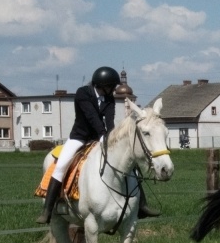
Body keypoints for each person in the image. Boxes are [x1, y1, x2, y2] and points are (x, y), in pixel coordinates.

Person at [36, 66, 159, 224]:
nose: (113, 89)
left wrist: (111, 138)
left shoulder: (109, 99)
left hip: (99, 137)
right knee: (61, 165)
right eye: (111, 86)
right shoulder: (83, 94)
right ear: (101, 85)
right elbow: (92, 117)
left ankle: (142, 205)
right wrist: (103, 136)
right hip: (79, 137)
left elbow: (109, 120)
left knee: (128, 162)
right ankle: (48, 209)